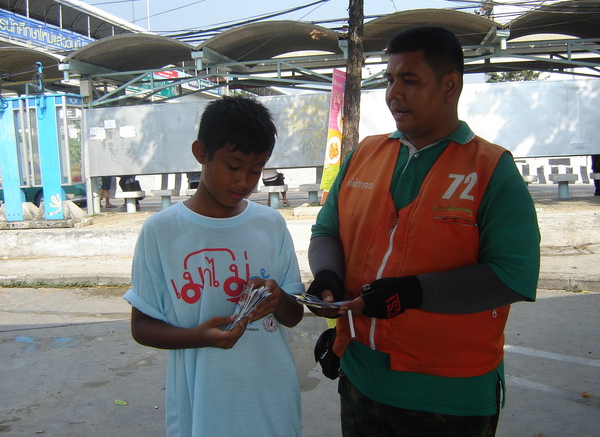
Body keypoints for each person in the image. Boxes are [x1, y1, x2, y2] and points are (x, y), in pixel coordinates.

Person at [307, 26, 540, 436]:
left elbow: (511, 276)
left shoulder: (491, 169)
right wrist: (328, 277)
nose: (393, 94)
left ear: (450, 85)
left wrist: (413, 292)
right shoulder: (364, 154)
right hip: (361, 381)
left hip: (451, 400)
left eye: (409, 81)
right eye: (389, 80)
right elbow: (326, 231)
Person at [123, 95, 304, 436]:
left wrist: (278, 298)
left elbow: (294, 316)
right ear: (201, 152)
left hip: (272, 401)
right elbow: (142, 327)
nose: (243, 181)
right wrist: (198, 337)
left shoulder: (270, 225)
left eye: (256, 170)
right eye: (233, 166)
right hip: (201, 406)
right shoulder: (162, 231)